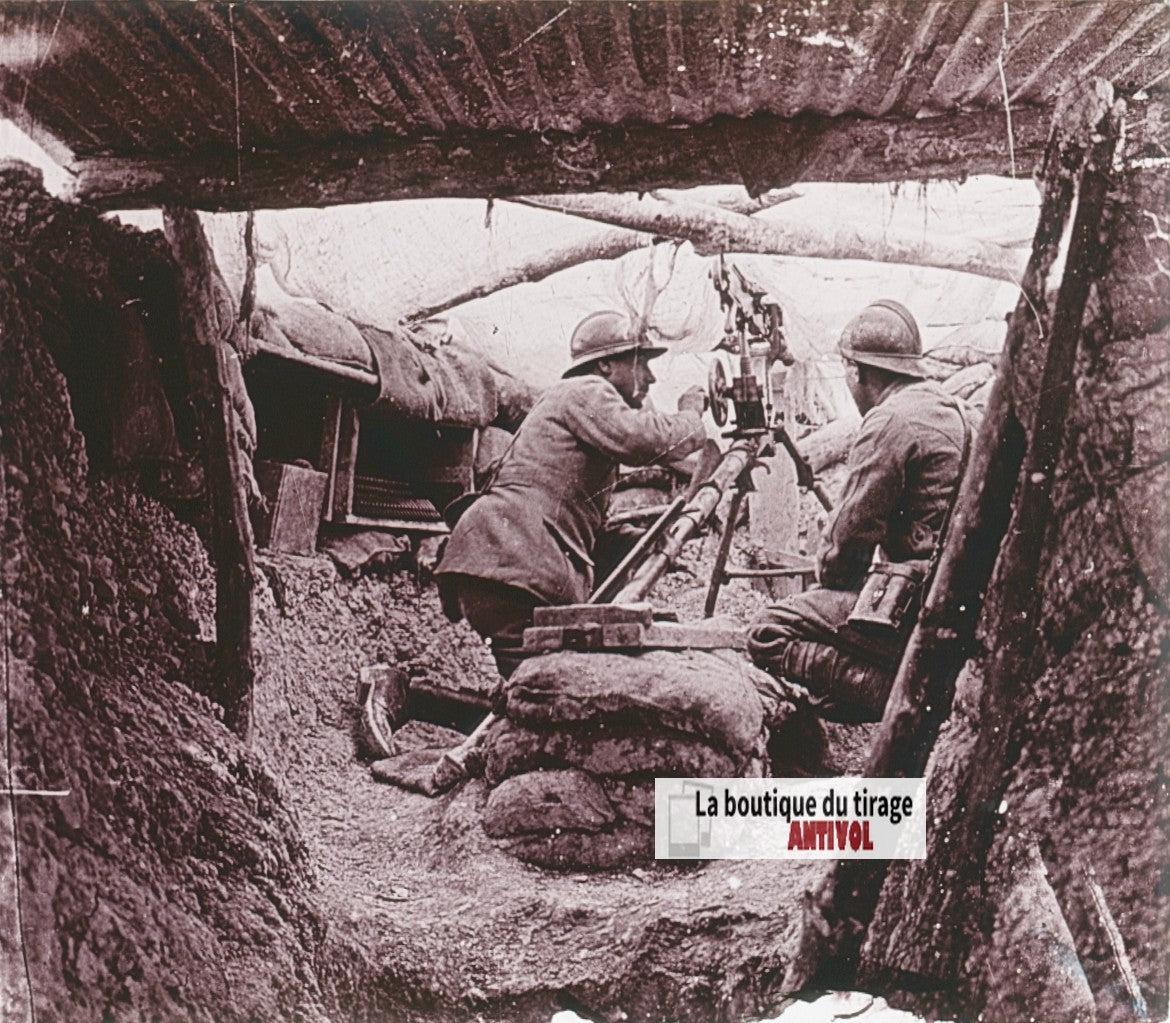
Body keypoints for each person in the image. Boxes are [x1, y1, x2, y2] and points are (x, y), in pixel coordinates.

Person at [436, 309, 707, 680]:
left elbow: (579, 524)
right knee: (545, 689)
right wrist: (692, 416)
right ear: (608, 365)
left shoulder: (574, 405)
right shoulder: (585, 391)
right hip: (514, 560)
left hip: (502, 560)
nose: (651, 376)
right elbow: (644, 439)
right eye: (640, 363)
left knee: (537, 685)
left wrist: (641, 543)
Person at [747, 299, 979, 722]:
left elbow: (845, 548)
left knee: (767, 632)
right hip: (960, 601)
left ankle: (906, 700)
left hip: (915, 606)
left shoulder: (888, 420)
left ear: (857, 371)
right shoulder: (961, 412)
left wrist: (833, 584)